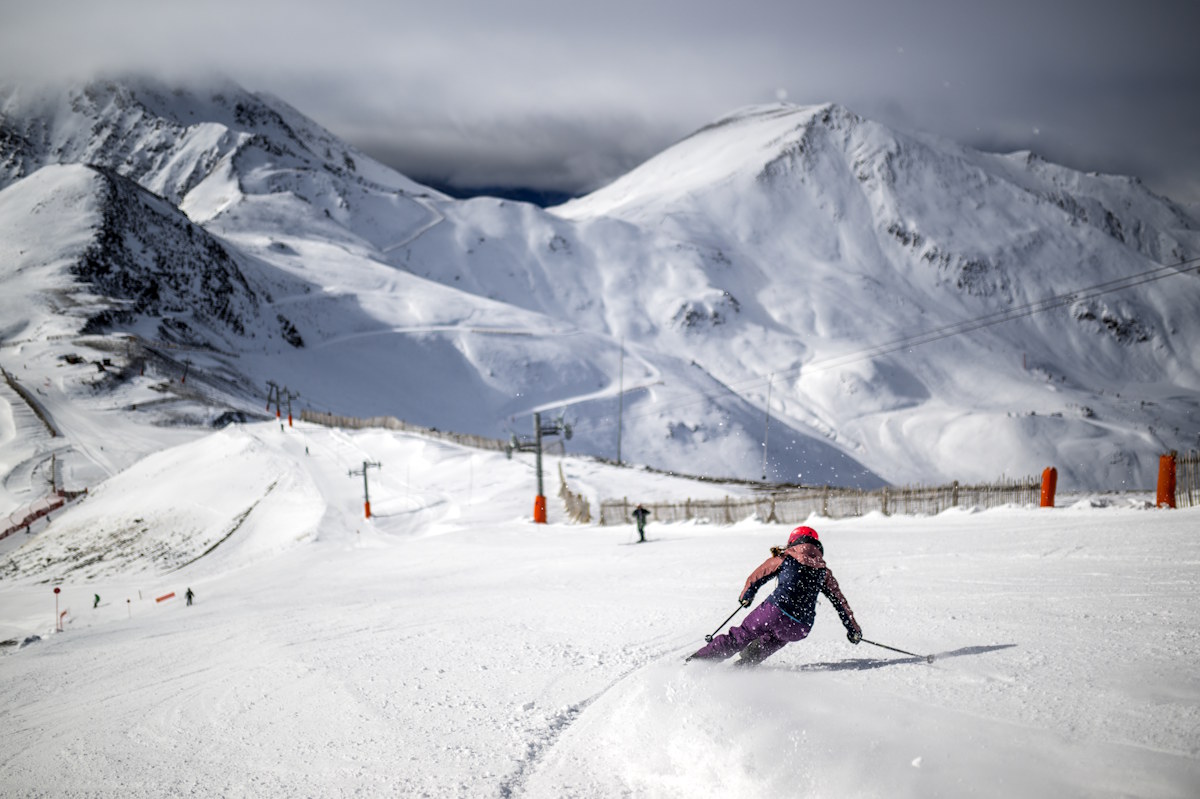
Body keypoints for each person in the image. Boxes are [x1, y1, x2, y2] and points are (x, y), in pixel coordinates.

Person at [688, 525, 862, 666]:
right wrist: (853, 630)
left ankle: (698, 663)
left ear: (793, 541)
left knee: (740, 636)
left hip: (775, 611)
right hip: (801, 626)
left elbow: (756, 576)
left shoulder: (786, 556)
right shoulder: (824, 571)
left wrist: (747, 595)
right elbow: (841, 603)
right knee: (773, 639)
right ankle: (741, 670)